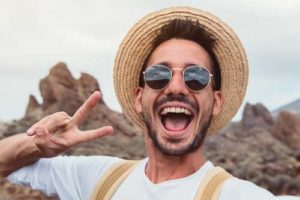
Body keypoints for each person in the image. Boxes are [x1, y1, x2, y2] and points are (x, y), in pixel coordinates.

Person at [0, 6, 289, 200]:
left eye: (196, 76)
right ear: (139, 98)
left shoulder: (240, 195)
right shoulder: (99, 177)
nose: (176, 86)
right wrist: (36, 146)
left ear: (215, 101)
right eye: (159, 75)